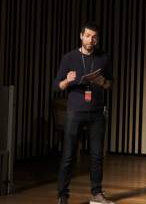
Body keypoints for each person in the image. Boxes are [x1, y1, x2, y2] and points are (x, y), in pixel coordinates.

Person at [53, 22, 113, 204]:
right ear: (81, 36)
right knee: (68, 155)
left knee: (96, 155)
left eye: (94, 37)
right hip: (75, 112)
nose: (91, 40)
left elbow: (110, 84)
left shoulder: (103, 58)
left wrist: (103, 83)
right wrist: (67, 81)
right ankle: (62, 196)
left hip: (96, 113)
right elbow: (57, 86)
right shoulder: (69, 58)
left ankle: (96, 194)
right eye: (88, 36)